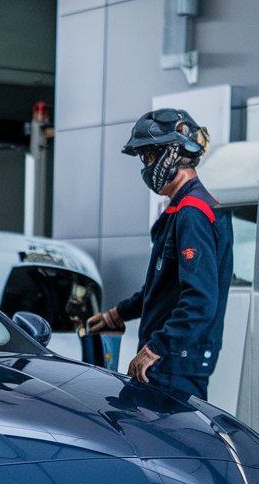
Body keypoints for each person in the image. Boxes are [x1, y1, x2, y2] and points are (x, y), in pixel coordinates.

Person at [88, 108, 233, 401]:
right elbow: (163, 289)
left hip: (175, 362)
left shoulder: (193, 212)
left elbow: (199, 300)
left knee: (169, 443)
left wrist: (156, 349)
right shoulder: (182, 209)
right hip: (172, 359)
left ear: (171, 155)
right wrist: (118, 314)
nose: (146, 166)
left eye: (149, 156)